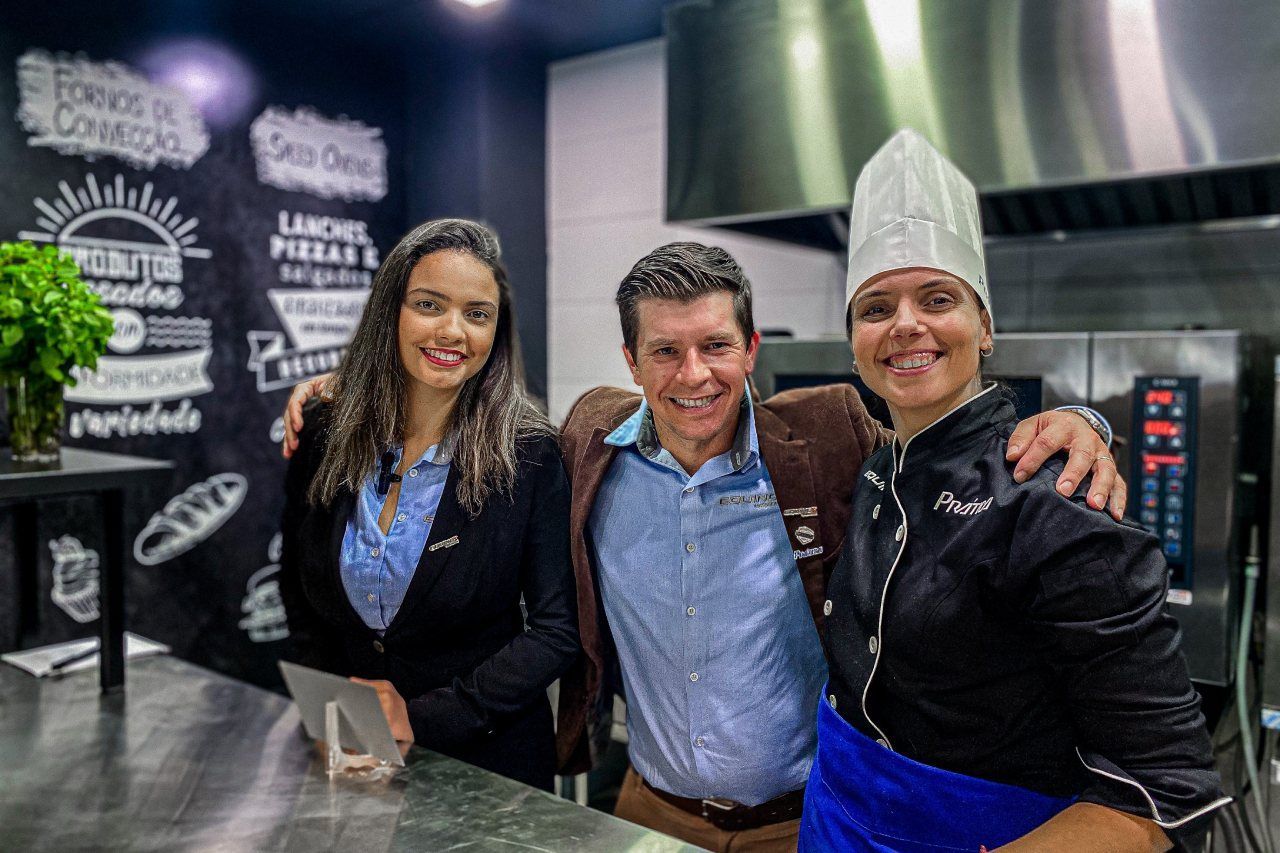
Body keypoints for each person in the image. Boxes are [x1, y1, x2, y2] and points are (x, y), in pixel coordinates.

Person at [281, 248, 1120, 852]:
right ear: (631, 361)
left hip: (809, 821)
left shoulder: (827, 434)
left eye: (717, 345)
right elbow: (447, 400)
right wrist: (340, 389)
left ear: (751, 350)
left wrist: (1081, 423)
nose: (694, 374)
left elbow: (940, 443)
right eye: (665, 350)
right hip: (647, 813)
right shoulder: (585, 443)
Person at [800, 129, 1227, 851]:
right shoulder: (872, 469)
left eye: (937, 298)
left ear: (985, 326)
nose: (906, 324)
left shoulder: (1054, 497)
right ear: (853, 343)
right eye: (876, 307)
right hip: (838, 824)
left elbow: (1164, 788)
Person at [277, 218, 579, 791]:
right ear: (390, 309)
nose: (453, 331)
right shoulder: (322, 431)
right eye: (428, 304)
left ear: (496, 331)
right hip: (352, 753)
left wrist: (420, 717)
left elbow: (556, 630)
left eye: (477, 314)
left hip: (489, 767)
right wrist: (337, 702)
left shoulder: (530, 453)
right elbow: (296, 582)